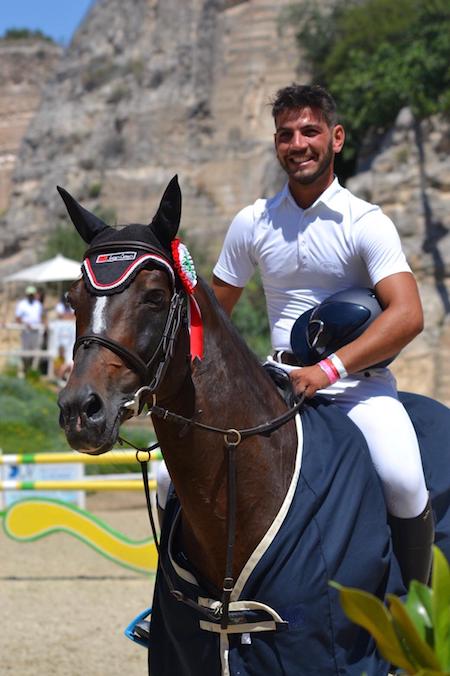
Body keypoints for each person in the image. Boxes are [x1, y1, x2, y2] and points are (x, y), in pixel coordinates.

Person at [212, 83, 433, 587]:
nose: (298, 143)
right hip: (276, 381)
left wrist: (326, 370)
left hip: (358, 387)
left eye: (310, 131)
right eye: (286, 134)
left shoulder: (366, 223)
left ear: (336, 138)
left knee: (403, 480)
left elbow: (407, 315)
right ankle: (176, 611)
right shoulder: (252, 222)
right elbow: (211, 318)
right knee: (168, 478)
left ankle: (416, 617)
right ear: (276, 144)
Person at [14, 285, 44, 374]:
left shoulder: (38, 305)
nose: (31, 296)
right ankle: (24, 370)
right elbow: (17, 318)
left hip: (37, 331)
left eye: (32, 294)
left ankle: (33, 372)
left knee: (36, 352)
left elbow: (41, 317)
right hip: (26, 332)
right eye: (29, 294)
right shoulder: (22, 304)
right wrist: (25, 324)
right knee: (25, 352)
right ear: (27, 295)